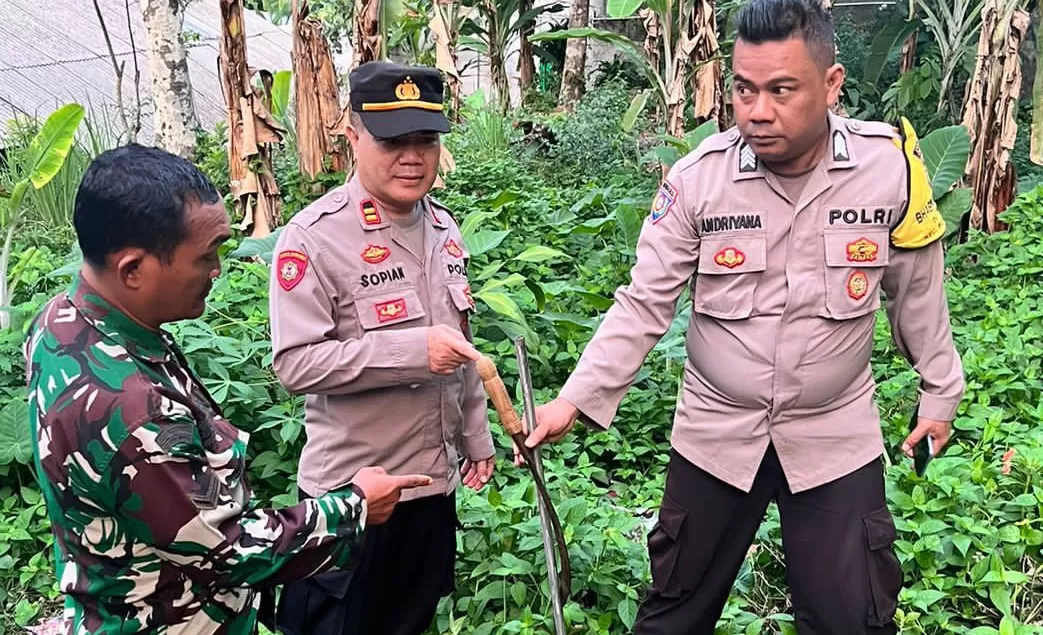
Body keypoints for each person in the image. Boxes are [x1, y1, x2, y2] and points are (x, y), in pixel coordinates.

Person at [522, 0, 966, 633]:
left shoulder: (888, 169)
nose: (758, 111)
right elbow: (643, 302)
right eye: (744, 89)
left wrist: (940, 394)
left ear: (832, 84)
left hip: (834, 436)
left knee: (854, 618)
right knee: (675, 612)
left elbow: (919, 294)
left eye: (782, 90)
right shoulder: (698, 180)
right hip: (715, 436)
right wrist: (573, 400)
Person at [24, 144, 432, 635]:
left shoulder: (63, 320)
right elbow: (226, 550)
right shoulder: (133, 408)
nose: (217, 270)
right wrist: (355, 505)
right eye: (205, 256)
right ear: (132, 269)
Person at [268, 60, 497, 635]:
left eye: (425, 140)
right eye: (393, 140)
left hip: (430, 486)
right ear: (352, 136)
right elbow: (296, 364)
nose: (412, 157)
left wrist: (476, 435)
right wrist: (410, 352)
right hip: (351, 496)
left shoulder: (444, 230)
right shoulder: (314, 239)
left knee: (412, 621)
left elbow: (461, 344)